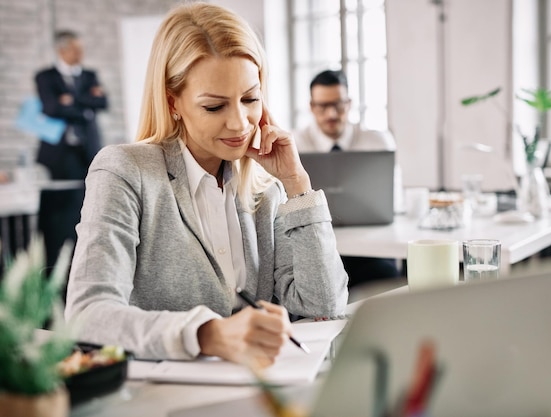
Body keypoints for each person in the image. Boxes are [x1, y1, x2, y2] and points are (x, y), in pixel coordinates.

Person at [64, 2, 349, 366]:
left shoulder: (267, 189)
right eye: (215, 107)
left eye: (250, 99)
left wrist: (297, 184)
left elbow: (323, 307)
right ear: (173, 102)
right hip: (161, 396)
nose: (239, 123)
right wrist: (208, 335)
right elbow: (88, 315)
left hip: (260, 389)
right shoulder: (125, 171)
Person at [295, 69, 401, 289]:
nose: (332, 113)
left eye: (339, 104)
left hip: (370, 247)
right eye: (323, 106)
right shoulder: (294, 145)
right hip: (319, 248)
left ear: (349, 103)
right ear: (312, 107)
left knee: (388, 278)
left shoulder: (378, 141)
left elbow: (395, 200)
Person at [35, 30, 108, 271]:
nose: (81, 54)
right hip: (58, 155)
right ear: (62, 50)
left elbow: (103, 103)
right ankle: (59, 264)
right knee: (60, 209)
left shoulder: (89, 74)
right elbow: (50, 108)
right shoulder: (45, 76)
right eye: (76, 49)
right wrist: (85, 104)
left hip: (87, 151)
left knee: (90, 202)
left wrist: (71, 100)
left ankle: (91, 258)